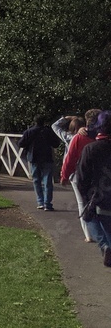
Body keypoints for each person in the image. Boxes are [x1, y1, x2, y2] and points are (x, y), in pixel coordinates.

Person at [76, 111, 111, 267]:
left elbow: (82, 178)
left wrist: (85, 199)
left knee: (88, 218)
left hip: (99, 197)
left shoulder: (91, 149)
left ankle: (104, 245)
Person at [60, 115, 100, 242]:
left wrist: (64, 176)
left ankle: (89, 234)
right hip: (98, 175)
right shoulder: (101, 136)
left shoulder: (79, 137)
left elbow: (70, 158)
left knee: (82, 204)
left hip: (79, 174)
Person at [18, 114, 62, 211]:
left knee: (36, 181)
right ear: (44, 122)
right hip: (47, 157)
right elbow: (56, 144)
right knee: (47, 181)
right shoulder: (48, 131)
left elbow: (21, 143)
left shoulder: (29, 132)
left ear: (35, 121)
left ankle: (40, 202)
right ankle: (47, 203)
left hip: (34, 158)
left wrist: (28, 146)